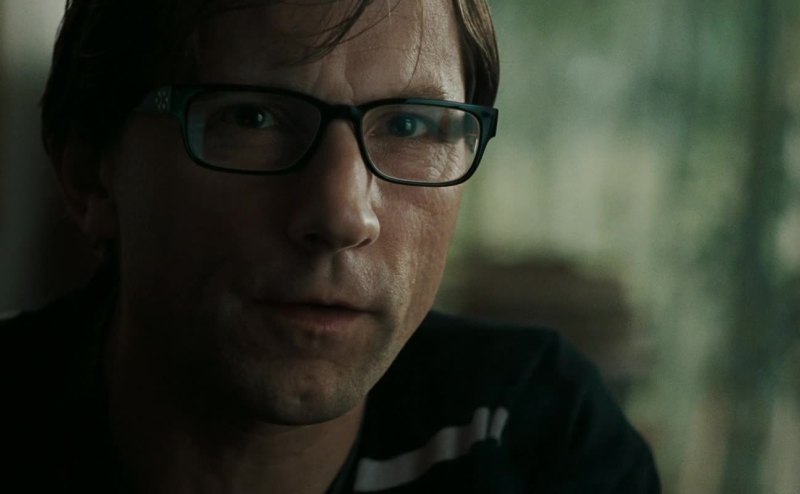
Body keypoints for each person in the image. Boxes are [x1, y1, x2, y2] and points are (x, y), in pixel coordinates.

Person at [3, 0, 660, 492]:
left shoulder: (531, 438)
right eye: (253, 117)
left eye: (410, 125)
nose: (343, 216)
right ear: (89, 176)